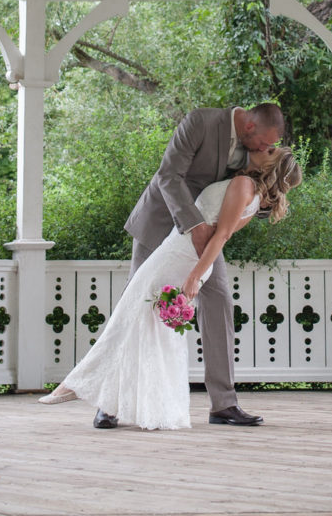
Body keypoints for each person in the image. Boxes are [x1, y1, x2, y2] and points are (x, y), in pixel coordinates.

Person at [39, 146, 302, 430]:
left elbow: (221, 235)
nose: (263, 149)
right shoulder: (254, 199)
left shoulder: (243, 185)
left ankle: (76, 384)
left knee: (127, 315)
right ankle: (143, 404)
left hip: (179, 256)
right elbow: (218, 233)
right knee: (150, 329)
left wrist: (194, 276)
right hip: (185, 256)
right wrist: (198, 273)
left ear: (272, 164)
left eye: (271, 151)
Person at [101, 103, 285, 428]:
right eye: (263, 144)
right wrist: (193, 224)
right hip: (162, 222)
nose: (264, 151)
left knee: (219, 300)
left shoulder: (252, 150)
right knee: (135, 304)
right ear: (250, 126)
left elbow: (245, 190)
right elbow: (168, 176)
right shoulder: (200, 121)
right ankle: (110, 404)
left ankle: (224, 405)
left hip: (207, 235)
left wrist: (267, 198)